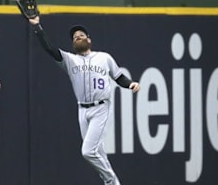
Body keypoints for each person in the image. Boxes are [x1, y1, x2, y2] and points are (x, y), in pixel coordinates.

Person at [28, 16, 140, 185]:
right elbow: (50, 48)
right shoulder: (70, 60)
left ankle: (112, 182)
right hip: (82, 110)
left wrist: (130, 84)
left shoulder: (104, 58)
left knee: (88, 151)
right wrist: (37, 27)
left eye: (81, 35)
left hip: (101, 108)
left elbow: (118, 77)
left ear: (89, 39)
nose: (77, 37)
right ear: (73, 44)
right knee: (98, 152)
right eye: (74, 37)